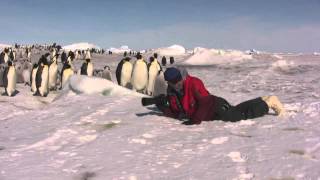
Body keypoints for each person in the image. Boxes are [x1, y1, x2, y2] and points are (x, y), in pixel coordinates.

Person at [154, 67, 285, 125]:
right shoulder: (171, 91)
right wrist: (163, 108)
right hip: (209, 114)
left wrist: (195, 120)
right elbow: (177, 111)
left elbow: (205, 103)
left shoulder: (193, 82)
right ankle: (262, 100)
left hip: (215, 106)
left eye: (178, 79)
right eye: (173, 82)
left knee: (238, 116)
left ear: (181, 77)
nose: (177, 83)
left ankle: (268, 102)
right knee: (237, 110)